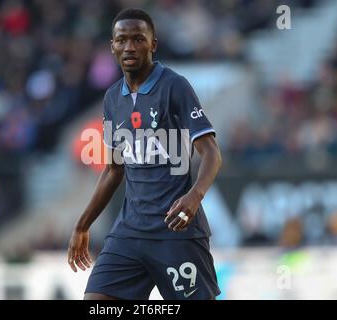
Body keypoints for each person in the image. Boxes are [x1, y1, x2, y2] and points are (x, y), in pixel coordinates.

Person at [67, 8, 222, 300]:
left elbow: (212, 153)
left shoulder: (174, 86)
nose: (129, 47)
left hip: (175, 233)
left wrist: (194, 196)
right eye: (121, 40)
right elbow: (114, 169)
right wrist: (82, 225)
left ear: (153, 44)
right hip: (129, 233)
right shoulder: (112, 98)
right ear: (112, 46)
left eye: (138, 39)